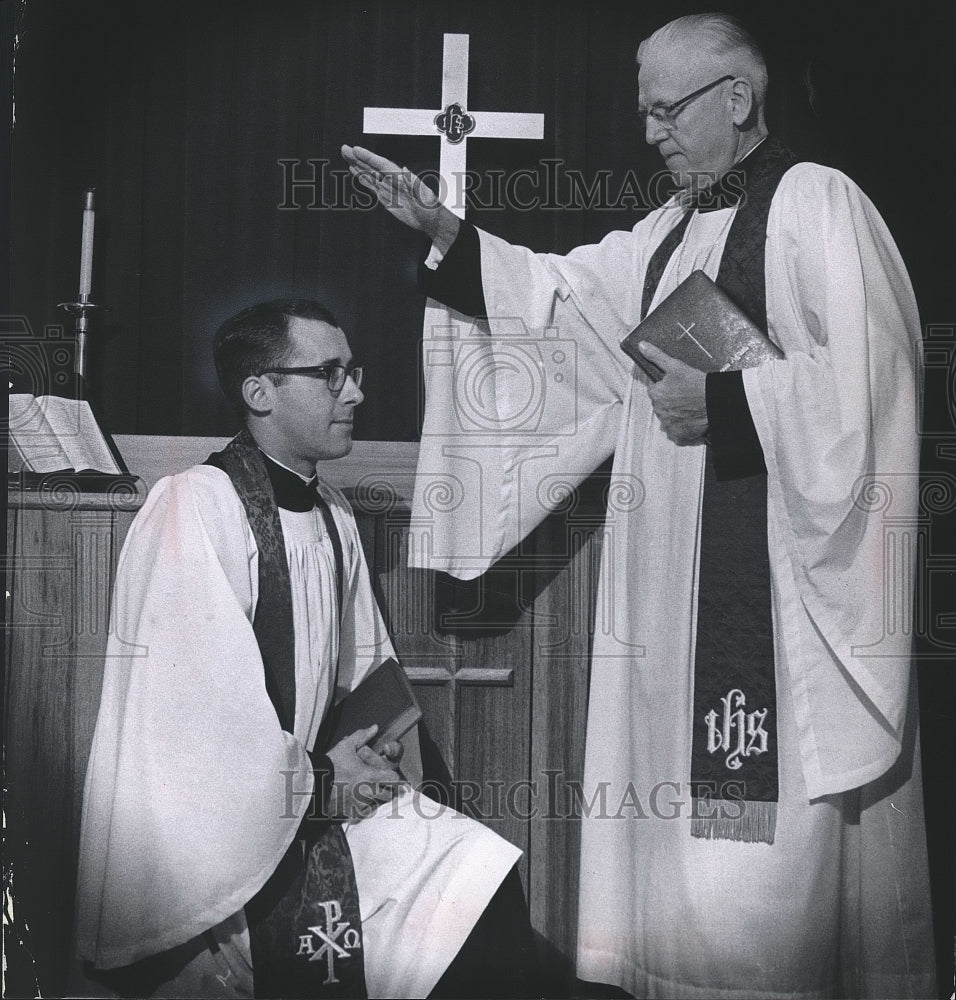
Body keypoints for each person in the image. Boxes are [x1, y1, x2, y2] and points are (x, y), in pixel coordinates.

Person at [341, 12, 937, 999]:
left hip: (776, 610)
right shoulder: (665, 235)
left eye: (667, 110)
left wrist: (728, 402)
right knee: (676, 867)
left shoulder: (815, 203)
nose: (651, 132)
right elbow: (561, 307)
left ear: (736, 99)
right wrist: (448, 235)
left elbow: (875, 388)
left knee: (761, 884)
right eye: (643, 113)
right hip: (668, 609)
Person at [73, 298, 536, 999]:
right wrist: (319, 783)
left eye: (353, 372)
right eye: (329, 374)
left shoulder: (332, 512)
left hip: (311, 799)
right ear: (260, 392)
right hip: (224, 848)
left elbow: (364, 672)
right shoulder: (195, 508)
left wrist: (385, 766)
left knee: (481, 876)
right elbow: (192, 722)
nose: (355, 393)